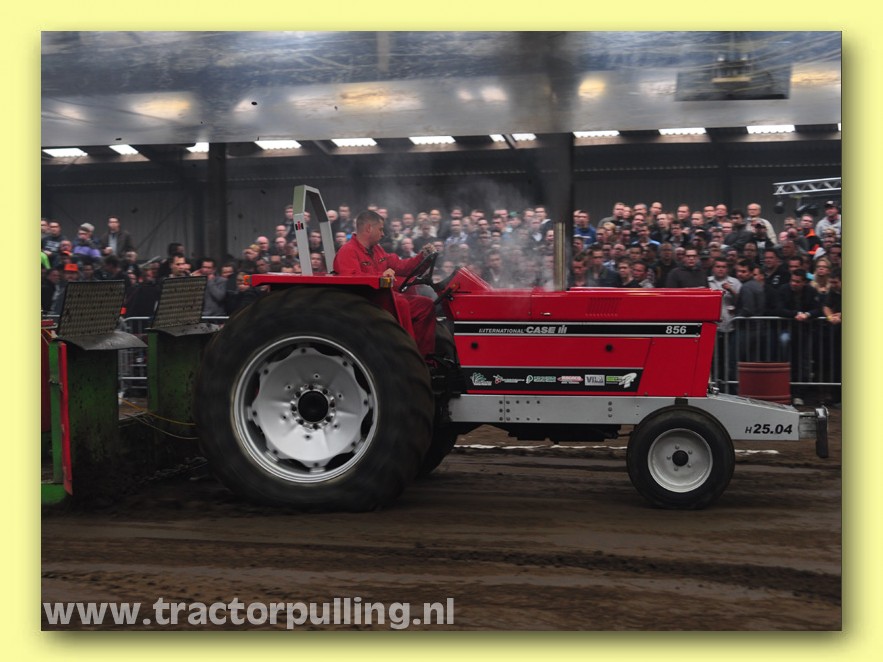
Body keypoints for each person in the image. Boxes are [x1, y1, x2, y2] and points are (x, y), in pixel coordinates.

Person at [332, 210, 437, 357]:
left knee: (426, 305)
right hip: (365, 303)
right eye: (380, 229)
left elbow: (401, 266)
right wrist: (380, 276)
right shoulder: (347, 251)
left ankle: (425, 357)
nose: (383, 234)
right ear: (369, 228)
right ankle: (408, 355)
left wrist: (423, 257)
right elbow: (352, 281)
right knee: (401, 303)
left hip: (384, 298)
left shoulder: (377, 250)